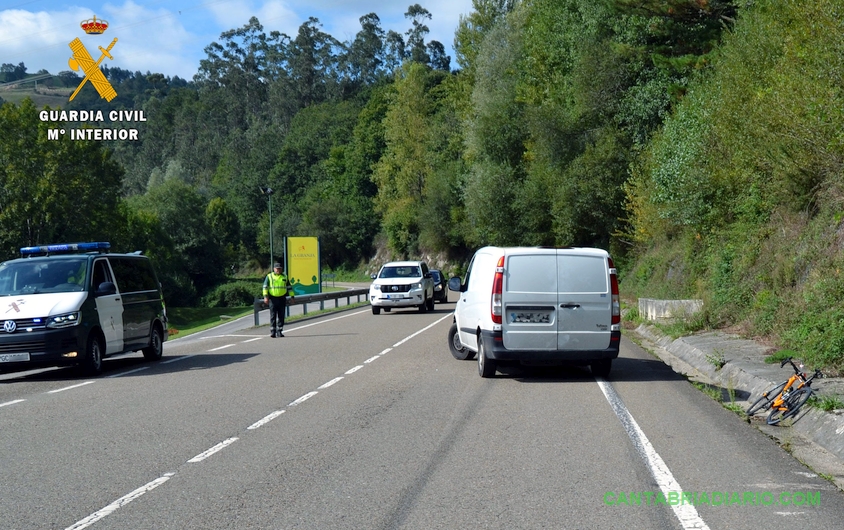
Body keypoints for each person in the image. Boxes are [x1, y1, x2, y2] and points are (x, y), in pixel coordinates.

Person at [263, 262, 293, 337]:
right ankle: (273, 331)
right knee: (273, 315)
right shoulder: (269, 276)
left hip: (282, 298)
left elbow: (289, 288)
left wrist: (292, 297)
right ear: (274, 269)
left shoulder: (285, 277)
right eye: (277, 269)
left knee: (281, 315)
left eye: (279, 269)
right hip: (272, 298)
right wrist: (265, 296)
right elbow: (265, 287)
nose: (278, 270)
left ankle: (280, 330)